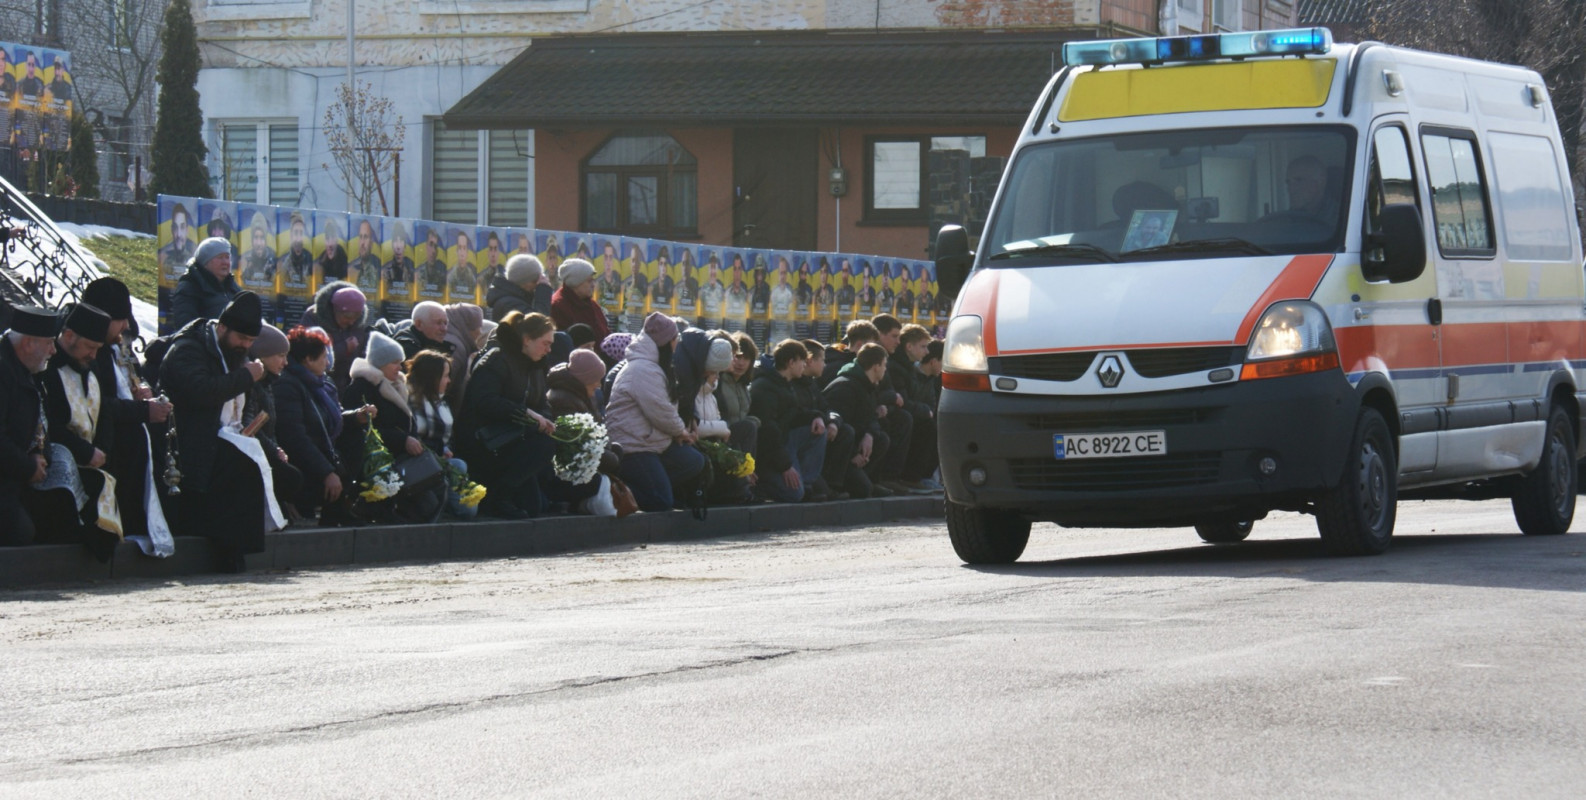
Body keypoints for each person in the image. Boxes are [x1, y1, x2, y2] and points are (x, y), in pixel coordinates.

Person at [159, 292, 284, 572]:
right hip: (190, 438)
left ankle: (238, 546)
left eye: (251, 342)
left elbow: (244, 403)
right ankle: (229, 549)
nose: (246, 346)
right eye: (242, 339)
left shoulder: (236, 352)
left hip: (227, 436)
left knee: (270, 468)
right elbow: (201, 392)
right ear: (223, 328)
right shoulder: (189, 349)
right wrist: (245, 377)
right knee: (241, 468)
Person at [83, 277, 174, 553]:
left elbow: (134, 382)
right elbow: (97, 403)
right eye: (118, 320)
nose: (125, 327)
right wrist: (142, 410)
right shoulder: (91, 352)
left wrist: (143, 394)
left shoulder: (120, 345)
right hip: (108, 440)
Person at [37, 303, 123, 558]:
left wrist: (102, 449)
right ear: (69, 336)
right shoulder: (47, 369)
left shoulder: (89, 365)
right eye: (89, 347)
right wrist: (85, 452)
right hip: (61, 459)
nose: (93, 355)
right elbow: (47, 422)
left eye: (98, 349)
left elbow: (104, 410)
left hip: (93, 459)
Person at [457, 311, 559, 520]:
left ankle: (504, 493)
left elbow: (541, 402)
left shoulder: (536, 366)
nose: (549, 350)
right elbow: (484, 401)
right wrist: (525, 413)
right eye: (545, 343)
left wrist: (546, 419)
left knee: (533, 508)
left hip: (514, 438)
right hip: (487, 440)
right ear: (527, 340)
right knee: (543, 446)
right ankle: (498, 496)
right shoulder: (497, 360)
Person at [605, 313, 705, 512]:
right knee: (660, 500)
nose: (677, 344)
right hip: (633, 445)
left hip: (652, 441)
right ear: (666, 342)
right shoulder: (643, 369)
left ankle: (657, 486)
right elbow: (660, 411)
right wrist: (681, 432)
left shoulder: (653, 365)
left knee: (694, 460)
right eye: (675, 339)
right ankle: (610, 488)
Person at [273, 326, 369, 525]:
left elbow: (329, 417)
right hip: (302, 461)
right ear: (308, 359)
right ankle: (307, 503)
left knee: (355, 438)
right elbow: (295, 437)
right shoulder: (288, 385)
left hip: (324, 452)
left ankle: (339, 507)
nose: (328, 363)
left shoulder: (323, 383)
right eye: (324, 357)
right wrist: (326, 472)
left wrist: (355, 416)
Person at [0, 307, 58, 546]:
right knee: (18, 531)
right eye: (49, 343)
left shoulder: (25, 370)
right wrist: (27, 466)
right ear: (27, 344)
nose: (54, 351)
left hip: (14, 477)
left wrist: (38, 453)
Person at [748, 339, 827, 503]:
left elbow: (794, 415)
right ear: (791, 363)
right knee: (793, 494)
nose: (804, 366)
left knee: (818, 431)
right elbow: (768, 432)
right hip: (768, 452)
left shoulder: (784, 384)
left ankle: (805, 483)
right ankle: (762, 485)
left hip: (782, 441)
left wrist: (816, 416)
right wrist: (785, 466)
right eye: (802, 362)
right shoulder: (765, 387)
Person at [405, 349, 478, 520]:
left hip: (437, 460)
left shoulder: (440, 402)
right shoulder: (407, 399)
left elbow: (444, 437)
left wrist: (444, 449)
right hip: (416, 462)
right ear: (432, 378)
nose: (449, 381)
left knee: (460, 467)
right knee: (459, 467)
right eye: (445, 376)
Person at [246, 325, 306, 525]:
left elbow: (268, 426)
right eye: (280, 355)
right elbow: (250, 426)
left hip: (265, 450)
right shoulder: (252, 384)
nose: (285, 362)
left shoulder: (268, 383)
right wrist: (274, 451)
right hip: (253, 453)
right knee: (289, 477)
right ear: (263, 355)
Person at [821, 343, 894, 498]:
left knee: (881, 438)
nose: (885, 370)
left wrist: (869, 435)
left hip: (855, 445)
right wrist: (854, 454)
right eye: (884, 365)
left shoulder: (869, 387)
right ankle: (835, 485)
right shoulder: (845, 387)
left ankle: (867, 479)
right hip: (839, 454)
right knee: (863, 491)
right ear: (875, 366)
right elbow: (839, 427)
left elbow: (870, 418)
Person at [890, 324, 940, 492]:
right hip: (896, 415)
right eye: (923, 347)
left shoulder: (907, 367)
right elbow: (903, 400)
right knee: (925, 426)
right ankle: (908, 477)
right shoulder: (898, 367)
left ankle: (917, 477)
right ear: (909, 347)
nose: (926, 352)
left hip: (909, 413)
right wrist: (925, 411)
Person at [300, 283, 373, 393]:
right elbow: (308, 354)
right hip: (319, 384)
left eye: (356, 318)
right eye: (347, 317)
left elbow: (365, 352)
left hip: (348, 385)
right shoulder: (313, 317)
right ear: (335, 310)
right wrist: (344, 348)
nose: (351, 322)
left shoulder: (361, 324)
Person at [168, 236, 240, 332]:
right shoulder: (189, 287)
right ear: (206, 262)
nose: (225, 262)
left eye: (227, 257)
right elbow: (185, 327)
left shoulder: (233, 287)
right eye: (220, 257)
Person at [714, 331, 759, 457]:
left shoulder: (744, 385)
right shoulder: (717, 382)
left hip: (740, 441)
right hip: (722, 439)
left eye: (746, 358)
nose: (741, 363)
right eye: (738, 357)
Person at [550, 258, 610, 342]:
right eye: (589, 281)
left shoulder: (590, 303)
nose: (593, 285)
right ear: (575, 282)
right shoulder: (558, 306)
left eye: (593, 280)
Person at [441, 302, 487, 409]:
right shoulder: (455, 347)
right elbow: (445, 386)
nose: (480, 332)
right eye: (478, 327)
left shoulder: (456, 340)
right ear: (469, 327)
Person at [488, 253, 552, 321]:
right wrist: (543, 292)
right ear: (524, 282)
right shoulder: (510, 305)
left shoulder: (512, 299)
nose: (537, 285)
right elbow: (538, 325)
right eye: (535, 281)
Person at [822, 320, 880, 388]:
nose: (874, 351)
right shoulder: (837, 369)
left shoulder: (838, 360)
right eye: (871, 346)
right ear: (860, 345)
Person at [157, 203, 196, 279]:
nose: (178, 234)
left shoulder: (195, 258)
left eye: (182, 227)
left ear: (187, 229)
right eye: (175, 227)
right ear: (171, 229)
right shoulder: (162, 256)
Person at [348, 219, 382, 293]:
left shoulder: (378, 268)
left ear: (371, 242)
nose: (362, 243)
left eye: (366, 237)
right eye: (361, 237)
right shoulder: (353, 269)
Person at [282, 213, 313, 287]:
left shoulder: (311, 260)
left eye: (301, 233)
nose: (299, 239)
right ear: (291, 235)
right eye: (296, 233)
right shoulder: (284, 262)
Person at [447, 231, 478, 299]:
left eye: (464, 248)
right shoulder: (450, 276)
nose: (462, 253)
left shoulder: (472, 277)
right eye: (460, 248)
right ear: (456, 251)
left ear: (467, 252)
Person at [315, 220, 348, 284]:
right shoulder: (320, 262)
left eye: (332, 237)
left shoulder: (345, 263)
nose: (330, 244)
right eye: (327, 239)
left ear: (337, 239)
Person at [384, 223, 415, 287]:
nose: (398, 246)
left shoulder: (411, 272)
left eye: (401, 241)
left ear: (405, 245)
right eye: (395, 241)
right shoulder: (385, 272)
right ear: (392, 245)